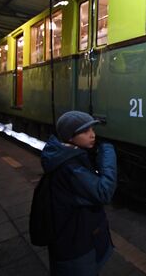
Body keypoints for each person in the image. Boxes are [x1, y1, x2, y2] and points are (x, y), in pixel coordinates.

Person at [41, 111, 117, 275]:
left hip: (72, 239)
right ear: (70, 137)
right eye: (85, 131)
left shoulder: (62, 156)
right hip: (76, 247)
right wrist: (108, 153)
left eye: (92, 130)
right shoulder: (70, 168)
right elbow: (104, 192)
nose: (92, 135)